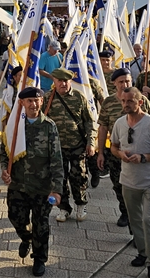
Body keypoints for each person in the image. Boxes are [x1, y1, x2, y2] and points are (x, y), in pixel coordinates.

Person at [0, 87, 63, 277]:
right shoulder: (15, 126)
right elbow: (5, 151)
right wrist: (5, 169)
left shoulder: (49, 126)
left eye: (37, 100)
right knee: (16, 218)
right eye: (29, 101)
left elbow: (57, 161)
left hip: (42, 187)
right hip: (18, 185)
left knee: (41, 224)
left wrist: (57, 190)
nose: (33, 104)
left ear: (42, 102)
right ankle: (26, 238)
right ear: (22, 103)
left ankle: (39, 258)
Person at [110, 87, 150, 278]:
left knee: (148, 220)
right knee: (135, 220)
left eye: (130, 101)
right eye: (123, 101)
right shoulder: (120, 123)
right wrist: (120, 154)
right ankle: (143, 253)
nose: (125, 104)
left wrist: (143, 157)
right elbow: (113, 146)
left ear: (140, 102)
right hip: (128, 181)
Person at [96, 69, 150, 228]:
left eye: (127, 81)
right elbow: (103, 128)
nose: (125, 84)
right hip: (116, 153)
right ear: (114, 83)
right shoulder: (108, 102)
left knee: (137, 188)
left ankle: (136, 221)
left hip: (138, 152)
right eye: (121, 82)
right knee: (118, 186)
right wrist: (100, 152)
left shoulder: (142, 101)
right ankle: (125, 211)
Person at [45, 68, 95, 223]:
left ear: (70, 81)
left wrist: (91, 142)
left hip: (77, 144)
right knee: (59, 178)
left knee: (78, 176)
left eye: (66, 81)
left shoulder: (79, 97)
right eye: (59, 80)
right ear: (54, 81)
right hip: (56, 147)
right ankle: (64, 208)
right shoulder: (48, 98)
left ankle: (81, 204)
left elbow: (89, 121)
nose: (63, 84)